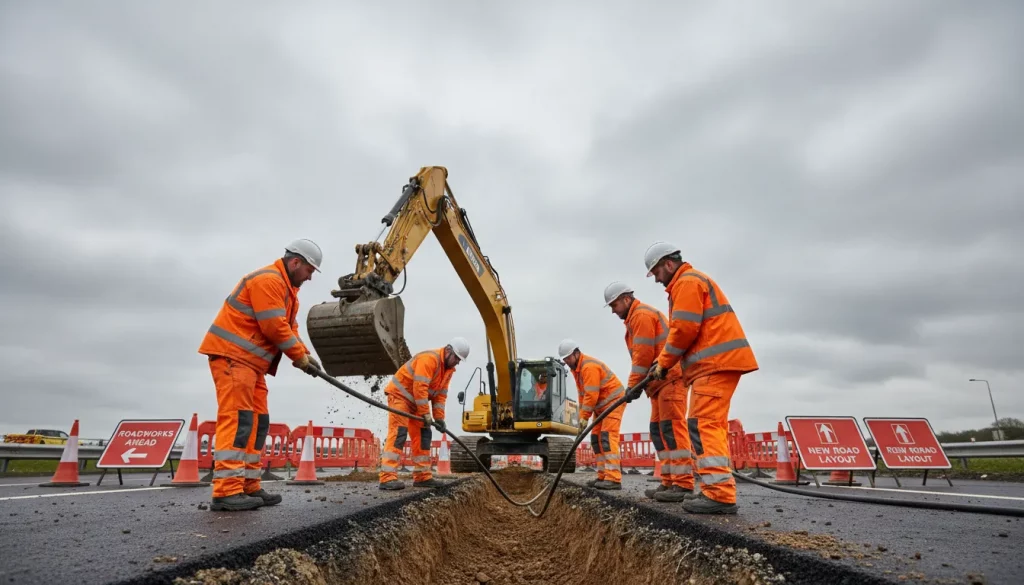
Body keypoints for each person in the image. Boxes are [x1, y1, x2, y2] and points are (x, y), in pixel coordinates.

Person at [198, 239, 325, 512]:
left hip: (252, 365)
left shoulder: (289, 292)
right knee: (238, 420)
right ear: (295, 263)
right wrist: (299, 359)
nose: (311, 276)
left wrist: (306, 355)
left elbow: (289, 329)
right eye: (309, 270)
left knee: (258, 422)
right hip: (233, 358)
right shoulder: (268, 281)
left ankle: (248, 484)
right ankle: (226, 491)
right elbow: (273, 327)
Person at [643, 241, 758, 514]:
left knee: (702, 423)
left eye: (657, 272)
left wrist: (664, 362)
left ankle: (718, 493)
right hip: (716, 364)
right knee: (708, 424)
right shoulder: (688, 282)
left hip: (714, 364)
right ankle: (716, 489)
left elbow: (683, 330)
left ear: (668, 264)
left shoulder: (686, 282)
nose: (657, 279)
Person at [603, 281, 696, 503]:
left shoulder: (641, 316)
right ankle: (669, 481)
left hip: (670, 378)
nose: (614, 311)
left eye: (614, 305)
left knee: (672, 429)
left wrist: (632, 385)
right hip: (657, 384)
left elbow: (642, 356)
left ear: (626, 299)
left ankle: (683, 483)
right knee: (658, 430)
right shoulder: (635, 320)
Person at [378, 338, 470, 490]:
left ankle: (422, 477)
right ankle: (387, 478)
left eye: (460, 360)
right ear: (448, 351)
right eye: (456, 358)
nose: (457, 363)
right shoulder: (429, 359)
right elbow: (419, 387)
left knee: (424, 434)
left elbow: (440, 395)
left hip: (416, 402)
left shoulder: (448, 370)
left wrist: (439, 418)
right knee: (399, 433)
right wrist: (426, 414)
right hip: (400, 396)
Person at [558, 339, 626, 490]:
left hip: (614, 402)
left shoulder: (588, 367)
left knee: (607, 437)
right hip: (601, 407)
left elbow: (591, 395)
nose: (567, 361)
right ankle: (603, 475)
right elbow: (582, 395)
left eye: (568, 358)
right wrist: (581, 417)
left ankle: (614, 478)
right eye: (565, 359)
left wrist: (585, 417)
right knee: (596, 438)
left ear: (577, 353)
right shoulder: (577, 369)